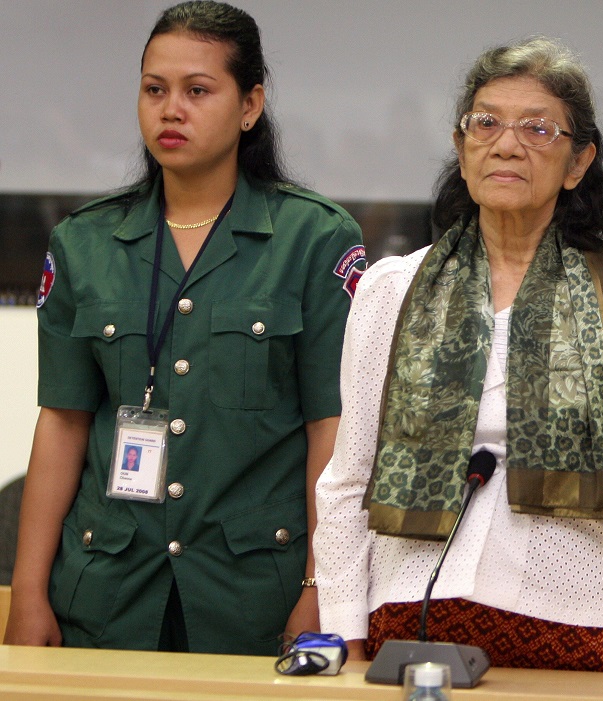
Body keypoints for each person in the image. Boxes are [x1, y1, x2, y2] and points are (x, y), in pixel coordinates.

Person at [314, 37, 603, 675]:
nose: (507, 144)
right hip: (410, 611)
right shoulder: (391, 291)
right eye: (486, 123)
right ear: (462, 149)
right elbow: (348, 479)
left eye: (538, 129)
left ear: (579, 162)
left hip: (574, 622)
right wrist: (345, 635)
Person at [4, 0, 364, 655]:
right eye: (155, 89)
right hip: (109, 589)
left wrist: (321, 583)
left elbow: (329, 430)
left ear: (250, 105)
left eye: (198, 90)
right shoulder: (84, 242)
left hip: (253, 594)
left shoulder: (314, 239)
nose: (172, 109)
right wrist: (28, 590)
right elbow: (62, 421)